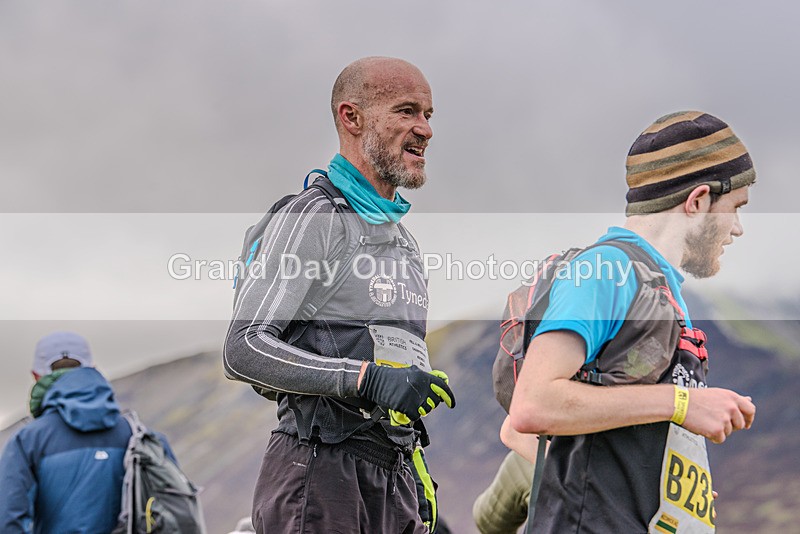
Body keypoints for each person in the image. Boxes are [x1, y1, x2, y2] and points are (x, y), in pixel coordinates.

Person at [224, 56, 455, 534]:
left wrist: (415, 467)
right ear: (352, 117)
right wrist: (366, 379)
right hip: (320, 473)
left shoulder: (404, 243)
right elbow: (243, 347)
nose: (425, 129)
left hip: (395, 479)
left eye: (428, 115)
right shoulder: (314, 216)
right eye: (407, 111)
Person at [509, 111, 757, 533]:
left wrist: (654, 486)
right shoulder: (607, 270)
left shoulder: (662, 290)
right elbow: (531, 407)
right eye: (735, 208)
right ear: (698, 201)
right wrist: (683, 404)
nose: (737, 229)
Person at [0, 331, 177, 534]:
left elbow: (8, 521)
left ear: (36, 376)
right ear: (92, 368)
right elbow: (175, 511)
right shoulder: (141, 437)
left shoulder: (27, 441)